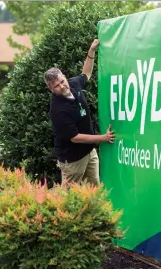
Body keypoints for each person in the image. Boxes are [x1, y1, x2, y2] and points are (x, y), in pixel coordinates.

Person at [44, 39, 115, 186]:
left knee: (94, 191)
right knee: (70, 198)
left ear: (64, 76)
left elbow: (86, 74)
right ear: (51, 89)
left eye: (62, 81)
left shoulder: (74, 84)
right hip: (72, 161)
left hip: (89, 153)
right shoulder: (58, 110)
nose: (62, 86)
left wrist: (91, 51)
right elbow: (75, 137)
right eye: (57, 86)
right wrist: (102, 138)